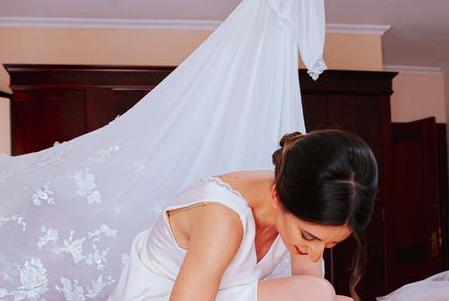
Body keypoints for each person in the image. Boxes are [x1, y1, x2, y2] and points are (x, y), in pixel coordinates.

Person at [108, 129, 378, 301]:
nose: (317, 254)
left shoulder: (299, 200)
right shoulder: (222, 219)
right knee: (318, 294)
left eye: (330, 244)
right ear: (277, 197)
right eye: (310, 237)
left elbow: (309, 283)